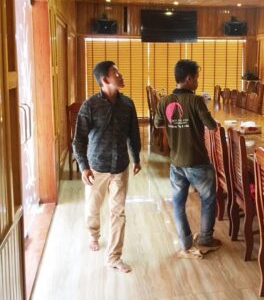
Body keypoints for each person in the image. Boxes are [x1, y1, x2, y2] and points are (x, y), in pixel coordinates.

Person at [73, 60, 141, 273]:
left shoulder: (128, 104)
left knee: (118, 213)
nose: (120, 75)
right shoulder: (90, 106)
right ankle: (93, 234)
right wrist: (84, 167)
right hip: (96, 167)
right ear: (105, 79)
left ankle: (114, 256)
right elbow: (79, 140)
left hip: (120, 166)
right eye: (116, 72)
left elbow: (133, 134)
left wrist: (136, 158)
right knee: (92, 208)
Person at [154, 59, 221, 259]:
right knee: (208, 200)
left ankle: (185, 243)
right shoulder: (196, 101)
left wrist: (175, 125)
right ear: (189, 78)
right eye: (196, 78)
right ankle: (206, 239)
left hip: (176, 163)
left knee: (178, 204)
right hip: (198, 161)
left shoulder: (164, 101)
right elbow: (212, 126)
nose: (197, 82)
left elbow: (158, 123)